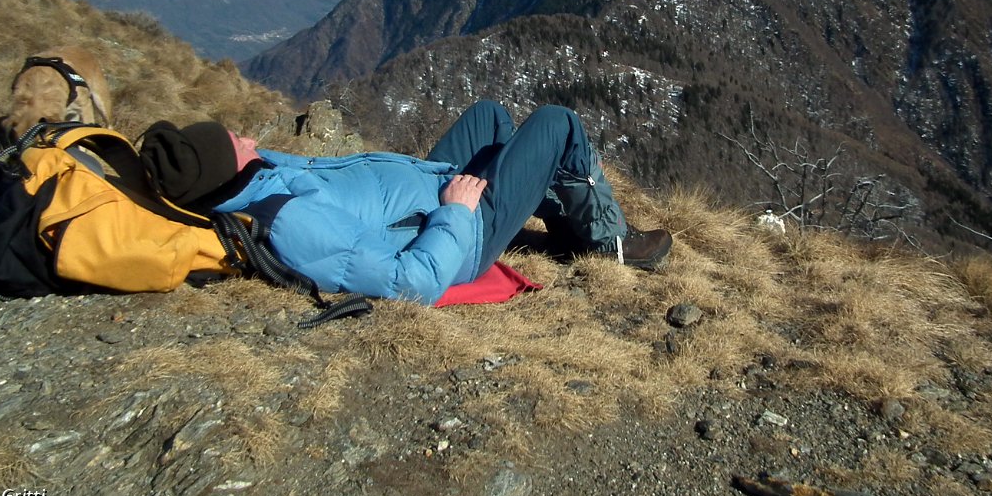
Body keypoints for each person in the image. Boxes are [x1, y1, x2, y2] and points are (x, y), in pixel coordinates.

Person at [139, 101, 672, 305]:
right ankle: (608, 242)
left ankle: (556, 217)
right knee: (559, 123)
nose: (246, 137)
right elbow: (407, 281)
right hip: (463, 235)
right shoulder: (287, 219)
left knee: (489, 117)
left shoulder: (258, 177)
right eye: (234, 140)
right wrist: (458, 214)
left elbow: (218, 165)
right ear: (228, 167)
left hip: (431, 191)